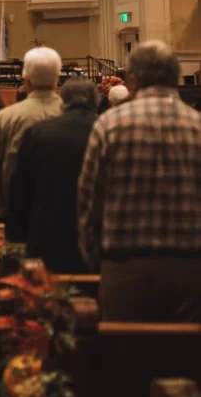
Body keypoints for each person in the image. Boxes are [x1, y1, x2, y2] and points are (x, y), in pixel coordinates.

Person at [78, 41, 201, 322]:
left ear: (133, 80)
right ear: (175, 77)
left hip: (125, 269)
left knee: (127, 363)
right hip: (192, 273)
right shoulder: (198, 126)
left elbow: (88, 207)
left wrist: (101, 263)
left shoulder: (108, 126)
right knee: (189, 362)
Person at [7, 78, 99, 273]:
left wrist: (19, 236)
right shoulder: (107, 130)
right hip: (98, 243)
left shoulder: (38, 132)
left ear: (62, 99)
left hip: (48, 237)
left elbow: (20, 189)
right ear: (95, 100)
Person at [0, 47, 63, 219]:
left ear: (26, 79)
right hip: (65, 213)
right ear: (57, 78)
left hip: (16, 213)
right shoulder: (70, 113)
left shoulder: (6, 117)